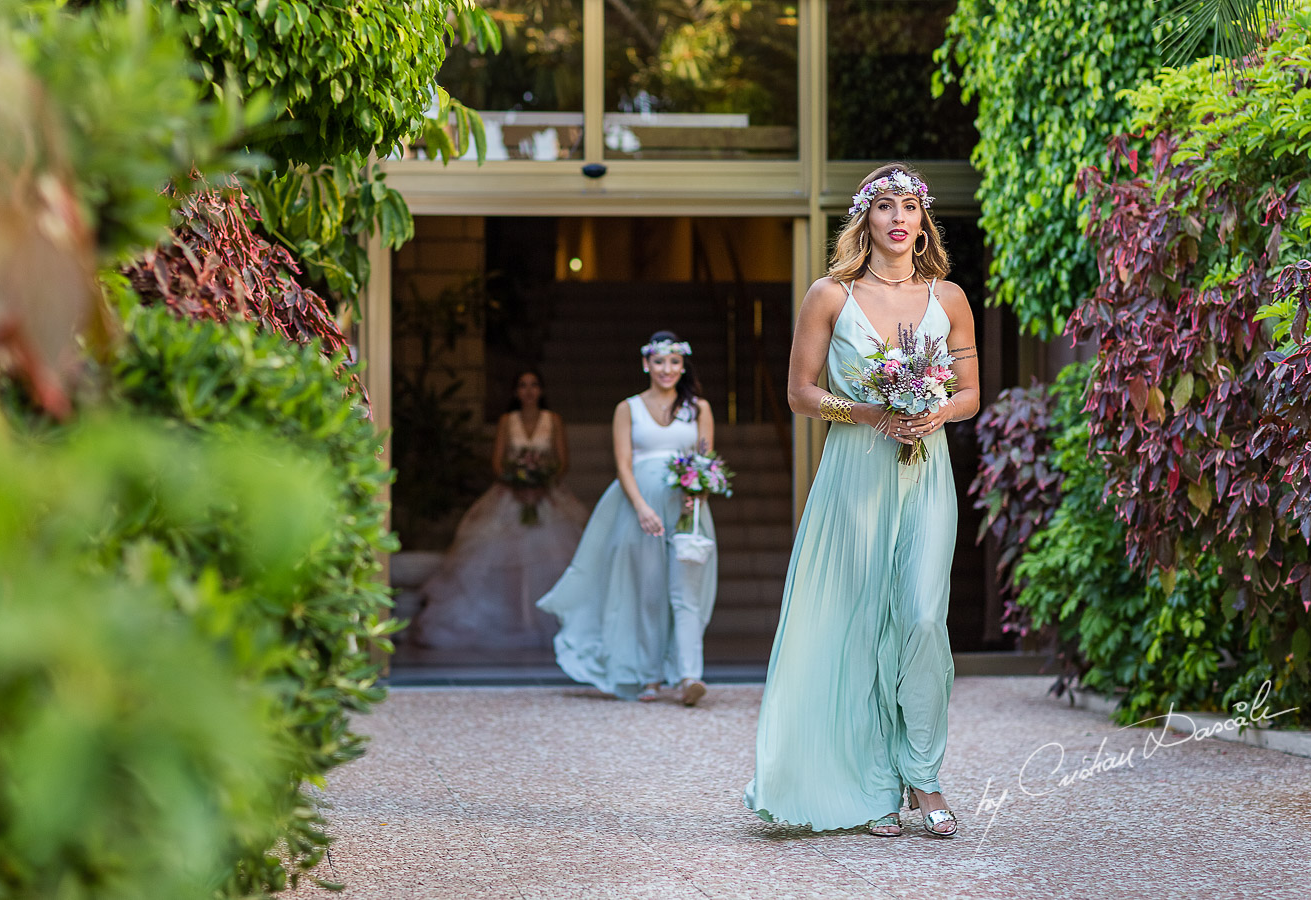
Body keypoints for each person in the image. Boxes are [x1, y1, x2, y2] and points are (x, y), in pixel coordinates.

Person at [742, 163, 980, 838]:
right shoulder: (830, 295)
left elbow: (969, 395)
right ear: (866, 220)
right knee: (860, 622)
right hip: (855, 473)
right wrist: (870, 412)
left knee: (922, 618)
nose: (899, 218)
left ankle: (924, 775)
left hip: (926, 471)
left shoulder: (950, 297)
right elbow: (800, 394)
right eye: (885, 206)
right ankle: (873, 782)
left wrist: (932, 413)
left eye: (910, 206)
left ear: (922, 220)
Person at [537, 331, 718, 705]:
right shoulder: (628, 408)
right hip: (641, 512)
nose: (666, 369)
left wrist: (696, 493)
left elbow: (705, 460)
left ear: (683, 365)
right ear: (646, 364)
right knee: (648, 592)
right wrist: (641, 507)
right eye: (659, 362)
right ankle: (649, 676)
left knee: (686, 592)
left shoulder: (698, 408)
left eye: (674, 362)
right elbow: (622, 465)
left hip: (687, 512)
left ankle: (689, 677)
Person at [411, 370, 588, 651]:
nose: (528, 391)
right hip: (511, 494)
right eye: (522, 385)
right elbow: (497, 461)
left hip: (547, 495)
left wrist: (542, 482)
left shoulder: (553, 420)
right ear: (516, 392)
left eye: (533, 385)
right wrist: (518, 480)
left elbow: (561, 461)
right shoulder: (507, 421)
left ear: (541, 390)